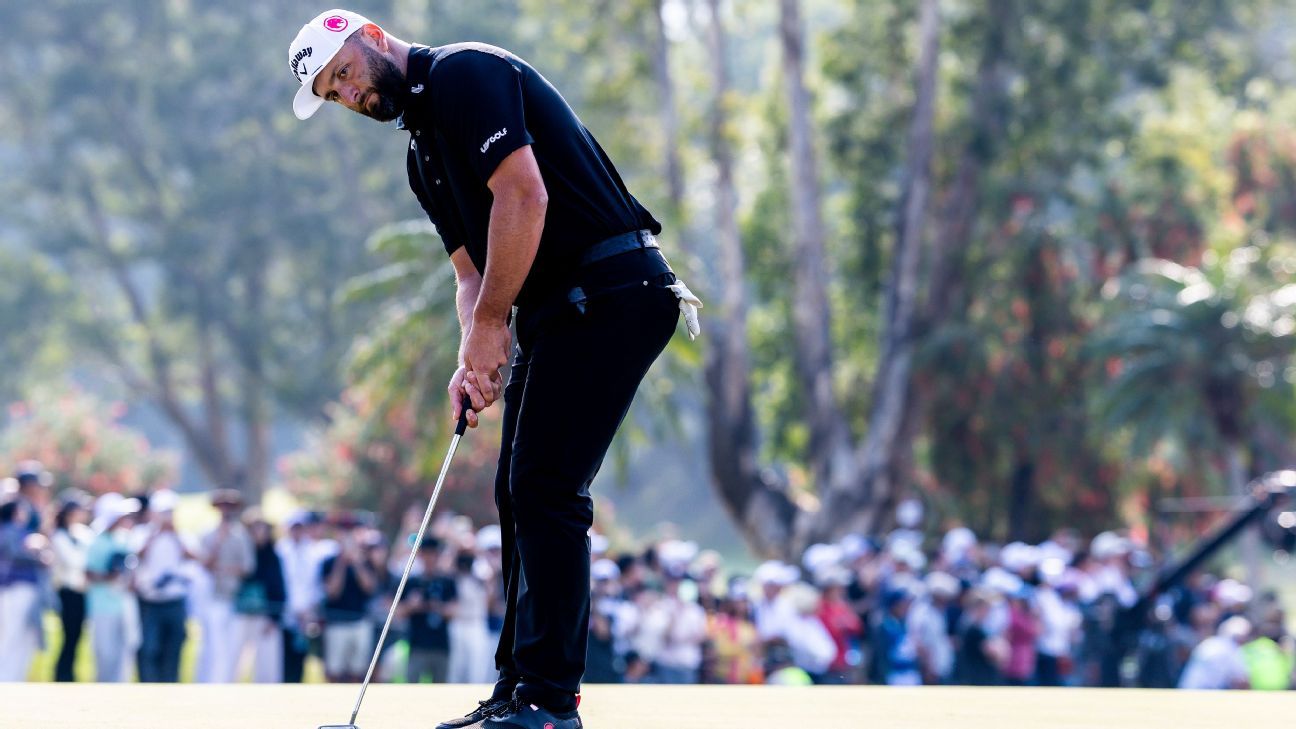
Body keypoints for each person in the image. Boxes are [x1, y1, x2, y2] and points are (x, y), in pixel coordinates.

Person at [289, 9, 695, 729]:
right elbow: (469, 275)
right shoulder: (421, 155)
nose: (350, 96)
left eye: (344, 74)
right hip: (557, 311)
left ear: (373, 37)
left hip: (613, 288)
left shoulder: (464, 73)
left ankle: (550, 700)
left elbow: (525, 195)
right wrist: (470, 353)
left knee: (546, 486)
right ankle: (518, 688)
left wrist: (489, 327)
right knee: (518, 491)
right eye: (334, 94)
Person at [0, 464, 53, 681]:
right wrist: (37, 554)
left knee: (25, 637)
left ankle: (14, 682)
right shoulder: (11, 506)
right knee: (11, 635)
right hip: (12, 583)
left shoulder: (31, 508)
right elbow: (10, 548)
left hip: (28, 582)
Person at [132, 489, 191, 683]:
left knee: (173, 648)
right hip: (150, 601)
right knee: (149, 648)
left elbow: (194, 557)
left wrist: (175, 535)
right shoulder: (142, 532)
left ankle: (170, 686)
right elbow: (138, 555)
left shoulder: (181, 535)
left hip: (175, 600)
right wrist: (155, 534)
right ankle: (148, 686)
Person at [196, 489, 255, 683]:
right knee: (212, 644)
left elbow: (247, 566)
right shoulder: (208, 534)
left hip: (234, 598)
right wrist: (218, 542)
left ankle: (226, 681)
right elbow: (204, 564)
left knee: (231, 646)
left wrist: (223, 569)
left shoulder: (240, 535)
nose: (226, 510)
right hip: (212, 597)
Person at [85, 494, 142, 682]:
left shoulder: (124, 539)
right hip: (103, 605)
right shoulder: (96, 541)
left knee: (126, 649)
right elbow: (88, 573)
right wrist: (108, 576)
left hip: (124, 603)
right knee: (105, 653)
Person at [320, 516, 377, 683]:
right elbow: (332, 591)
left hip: (360, 622)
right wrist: (342, 562)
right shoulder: (329, 562)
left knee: (358, 672)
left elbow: (369, 587)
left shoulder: (365, 561)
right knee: (334, 672)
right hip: (336, 623)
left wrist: (356, 562)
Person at [234, 513, 286, 683]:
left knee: (268, 663)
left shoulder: (273, 557)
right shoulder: (241, 554)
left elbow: (279, 588)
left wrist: (274, 618)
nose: (259, 533)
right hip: (240, 614)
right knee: (235, 660)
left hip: (265, 615)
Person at [276, 509, 323, 683]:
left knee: (300, 658)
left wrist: (309, 610)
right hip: (284, 614)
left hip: (305, 615)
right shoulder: (280, 550)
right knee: (282, 659)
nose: (297, 532)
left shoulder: (313, 552)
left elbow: (315, 584)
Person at [402, 537, 457, 684]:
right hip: (418, 644)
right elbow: (398, 611)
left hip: (440, 645)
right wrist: (412, 606)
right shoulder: (413, 581)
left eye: (434, 554)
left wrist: (435, 606)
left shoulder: (447, 581)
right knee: (412, 685)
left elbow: (454, 611)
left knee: (440, 686)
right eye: (427, 553)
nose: (430, 558)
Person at [50, 495, 93, 681]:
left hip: (83, 592)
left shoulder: (83, 532)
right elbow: (74, 561)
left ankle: (68, 674)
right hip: (68, 592)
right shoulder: (59, 535)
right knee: (69, 634)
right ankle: (63, 674)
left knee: (77, 635)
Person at [448, 547, 493, 683]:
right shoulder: (454, 576)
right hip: (458, 623)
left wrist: (476, 552)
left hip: (476, 623)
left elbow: (489, 578)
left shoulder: (480, 570)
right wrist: (457, 551)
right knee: (456, 667)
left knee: (477, 667)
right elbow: (444, 567)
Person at [1178, 615, 1252, 690]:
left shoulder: (1209, 643)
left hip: (1186, 689)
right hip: (1203, 692)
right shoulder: (1229, 648)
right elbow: (1242, 681)